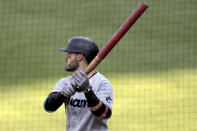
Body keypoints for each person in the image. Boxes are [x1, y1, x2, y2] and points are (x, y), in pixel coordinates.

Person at [43, 36, 114, 131]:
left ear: (80, 56)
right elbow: (48, 107)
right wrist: (63, 94)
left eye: (69, 54)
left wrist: (87, 90)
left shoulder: (102, 83)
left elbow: (104, 114)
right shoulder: (65, 82)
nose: (66, 57)